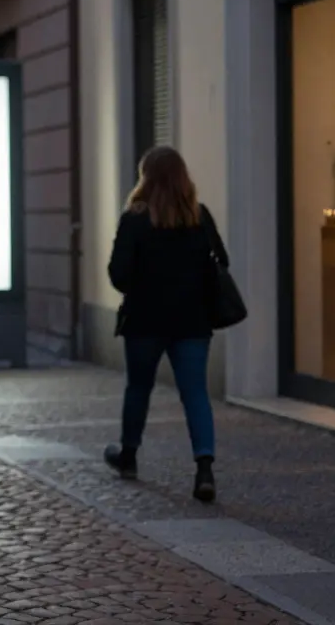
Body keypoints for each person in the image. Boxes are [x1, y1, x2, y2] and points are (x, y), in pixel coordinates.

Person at [105, 145, 228, 503]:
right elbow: (222, 260)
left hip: (145, 319)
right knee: (195, 393)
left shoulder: (134, 219)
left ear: (147, 178)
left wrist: (145, 282)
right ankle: (204, 467)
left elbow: (118, 274)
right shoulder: (199, 216)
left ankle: (128, 456)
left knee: (138, 388)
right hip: (192, 320)